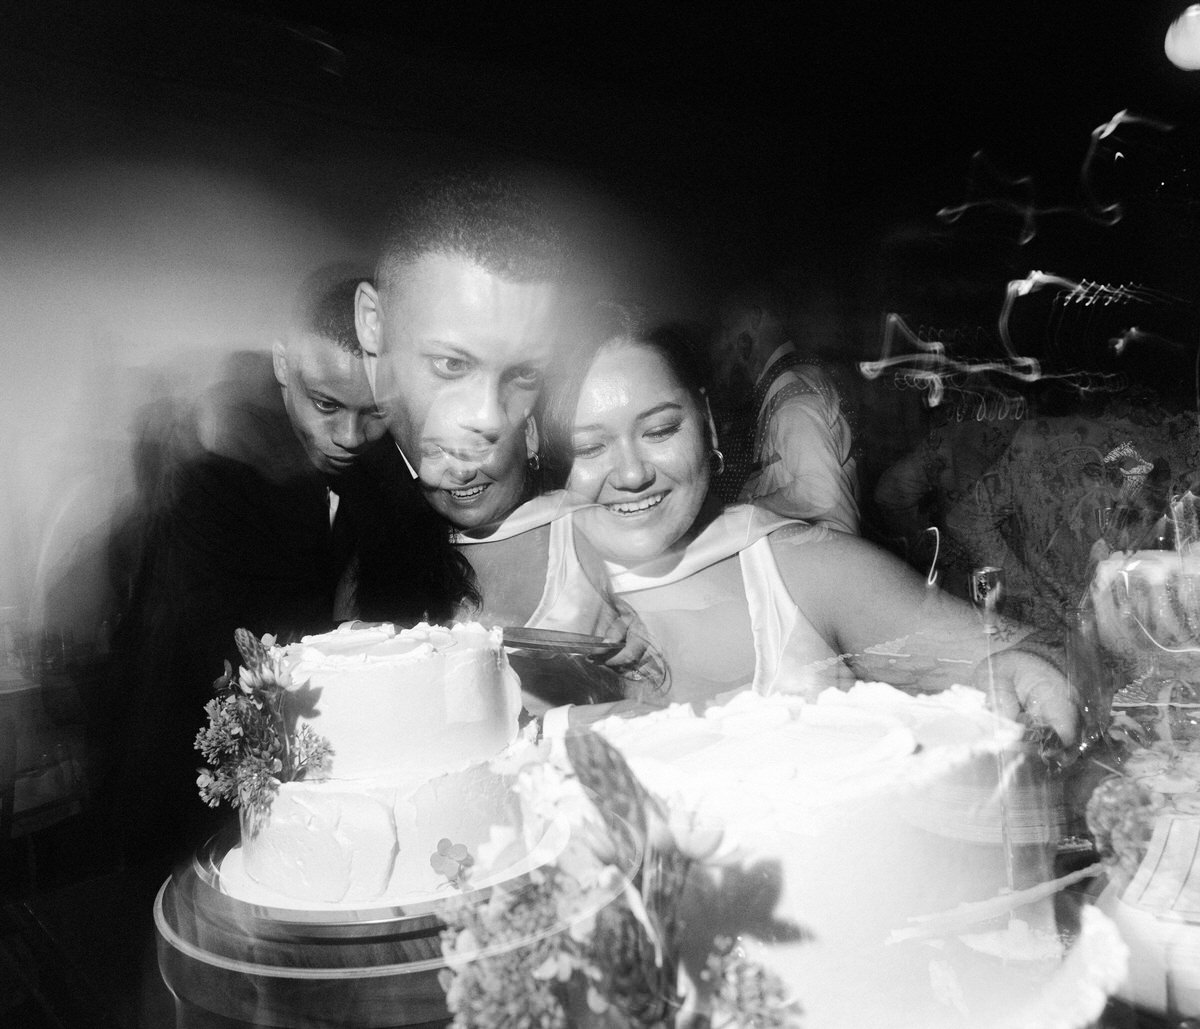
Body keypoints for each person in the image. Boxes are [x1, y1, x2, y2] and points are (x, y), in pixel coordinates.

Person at [538, 321, 1081, 746]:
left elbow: (1042, 655)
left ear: (705, 421)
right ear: (544, 451)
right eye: (590, 447)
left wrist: (1029, 673)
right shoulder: (516, 603)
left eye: (660, 430)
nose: (632, 474)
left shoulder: (801, 568)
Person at [110, 266, 466, 874]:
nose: (349, 435)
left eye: (375, 412)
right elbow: (201, 674)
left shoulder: (388, 488)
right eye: (325, 404)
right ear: (282, 363)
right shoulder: (214, 483)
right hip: (197, 813)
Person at [710, 278, 861, 534]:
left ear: (754, 318)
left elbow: (819, 493)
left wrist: (748, 508)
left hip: (822, 551)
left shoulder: (791, 396)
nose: (726, 341)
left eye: (729, 326)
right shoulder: (796, 378)